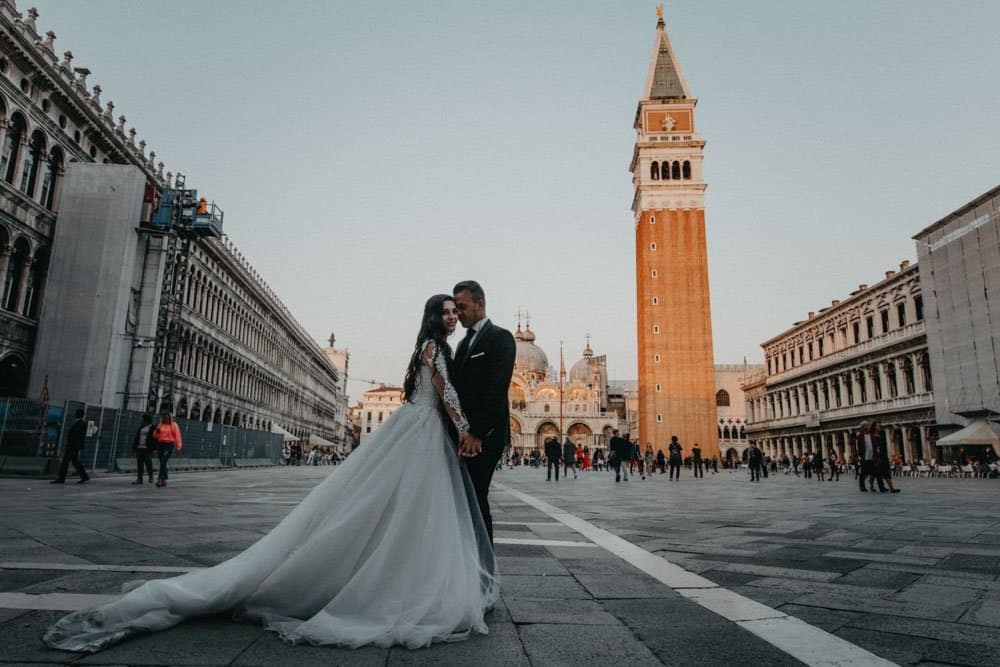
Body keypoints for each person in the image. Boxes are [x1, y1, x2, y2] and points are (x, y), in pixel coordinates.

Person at [44, 293, 498, 653]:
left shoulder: (426, 346)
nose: (453, 316)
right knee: (415, 510)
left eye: (455, 311)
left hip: (414, 431)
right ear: (434, 317)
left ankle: (395, 573)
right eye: (446, 311)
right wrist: (465, 431)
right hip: (423, 434)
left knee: (395, 508)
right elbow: (448, 397)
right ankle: (403, 582)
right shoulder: (436, 348)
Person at [451, 280, 516, 543]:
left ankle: (484, 563)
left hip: (486, 435)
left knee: (476, 496)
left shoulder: (501, 337)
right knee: (467, 497)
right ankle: (470, 559)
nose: (458, 314)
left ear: (480, 304)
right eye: (456, 308)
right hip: (464, 434)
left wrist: (477, 432)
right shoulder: (462, 345)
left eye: (462, 307)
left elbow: (497, 387)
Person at [51, 409, 90, 484]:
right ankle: (84, 476)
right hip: (74, 446)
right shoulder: (81, 423)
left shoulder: (79, 424)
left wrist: (70, 445)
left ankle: (61, 478)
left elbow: (76, 436)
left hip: (72, 446)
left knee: (65, 462)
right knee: (75, 461)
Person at [151, 412, 183, 488]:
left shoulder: (174, 425)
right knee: (162, 462)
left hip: (169, 445)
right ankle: (164, 479)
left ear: (170, 418)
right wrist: (157, 432)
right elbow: (155, 436)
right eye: (164, 417)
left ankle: (159, 480)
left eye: (167, 417)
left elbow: (177, 435)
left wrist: (178, 446)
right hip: (160, 444)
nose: (166, 419)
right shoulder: (160, 425)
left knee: (163, 462)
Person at [853, 420, 886, 493]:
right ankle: (862, 487)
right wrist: (860, 456)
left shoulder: (872, 435)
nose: (869, 427)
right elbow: (858, 447)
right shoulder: (859, 436)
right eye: (868, 425)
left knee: (878, 473)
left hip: (873, 457)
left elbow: (875, 444)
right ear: (864, 427)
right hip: (865, 458)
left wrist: (877, 450)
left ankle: (882, 487)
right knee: (863, 474)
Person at [873, 422, 901, 493]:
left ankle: (892, 488)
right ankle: (881, 487)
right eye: (878, 426)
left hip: (884, 455)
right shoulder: (872, 436)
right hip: (877, 456)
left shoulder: (882, 434)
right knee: (878, 473)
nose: (880, 427)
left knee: (887, 471)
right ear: (874, 427)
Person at [131, 414, 155, 485]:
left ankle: (151, 476)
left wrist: (154, 447)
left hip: (148, 448)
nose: (141, 420)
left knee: (148, 462)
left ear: (146, 420)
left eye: (142, 419)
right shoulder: (140, 428)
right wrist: (134, 447)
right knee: (140, 464)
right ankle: (139, 479)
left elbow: (155, 438)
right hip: (140, 448)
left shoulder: (152, 427)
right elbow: (137, 437)